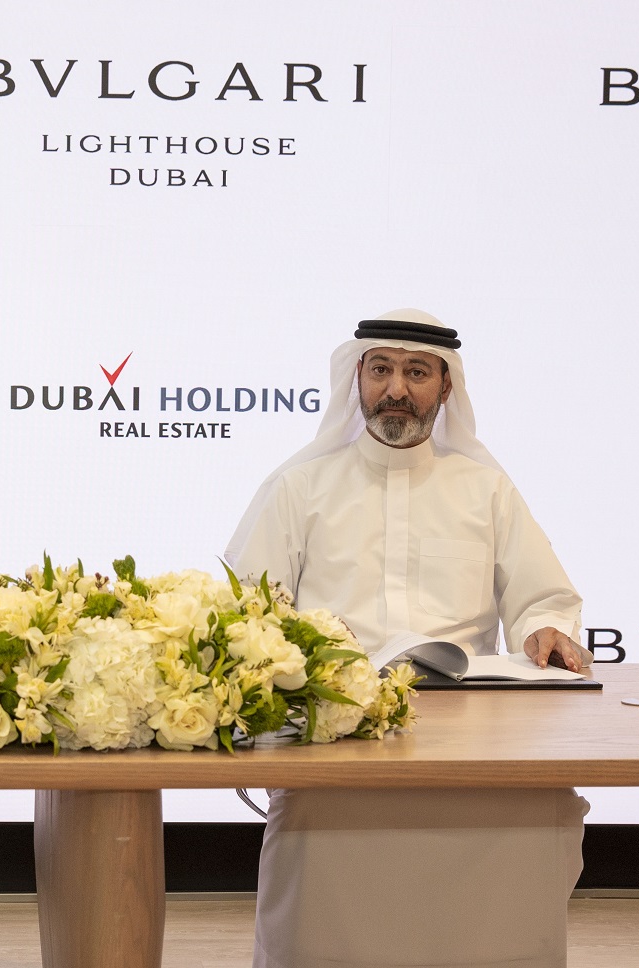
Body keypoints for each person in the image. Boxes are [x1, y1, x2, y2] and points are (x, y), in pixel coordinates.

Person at [227, 308, 592, 968]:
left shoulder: (483, 488)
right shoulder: (300, 487)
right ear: (356, 379)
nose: (396, 389)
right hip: (341, 724)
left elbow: (542, 595)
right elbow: (247, 608)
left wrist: (547, 630)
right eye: (381, 370)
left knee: (532, 810)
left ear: (444, 389)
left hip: (467, 725)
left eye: (416, 373)